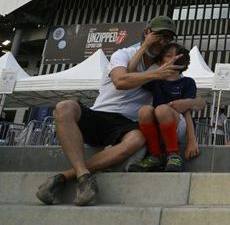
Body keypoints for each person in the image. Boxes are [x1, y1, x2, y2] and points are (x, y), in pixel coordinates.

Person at [36, 16, 204, 206]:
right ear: (147, 33)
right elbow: (121, 81)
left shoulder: (164, 65)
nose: (162, 42)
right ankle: (83, 175)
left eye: (167, 38)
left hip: (127, 124)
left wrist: (190, 102)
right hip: (100, 114)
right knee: (64, 107)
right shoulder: (123, 54)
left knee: (137, 139)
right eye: (159, 35)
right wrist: (154, 69)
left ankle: (66, 177)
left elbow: (193, 95)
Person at [128, 43, 199, 172]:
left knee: (161, 109)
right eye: (168, 56)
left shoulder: (187, 82)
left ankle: (173, 155)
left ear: (184, 63)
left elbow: (187, 112)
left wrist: (191, 140)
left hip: (178, 126)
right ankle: (155, 155)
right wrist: (144, 46)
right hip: (158, 127)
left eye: (177, 56)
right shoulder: (155, 80)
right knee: (144, 110)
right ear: (161, 62)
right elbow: (131, 72)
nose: (173, 59)